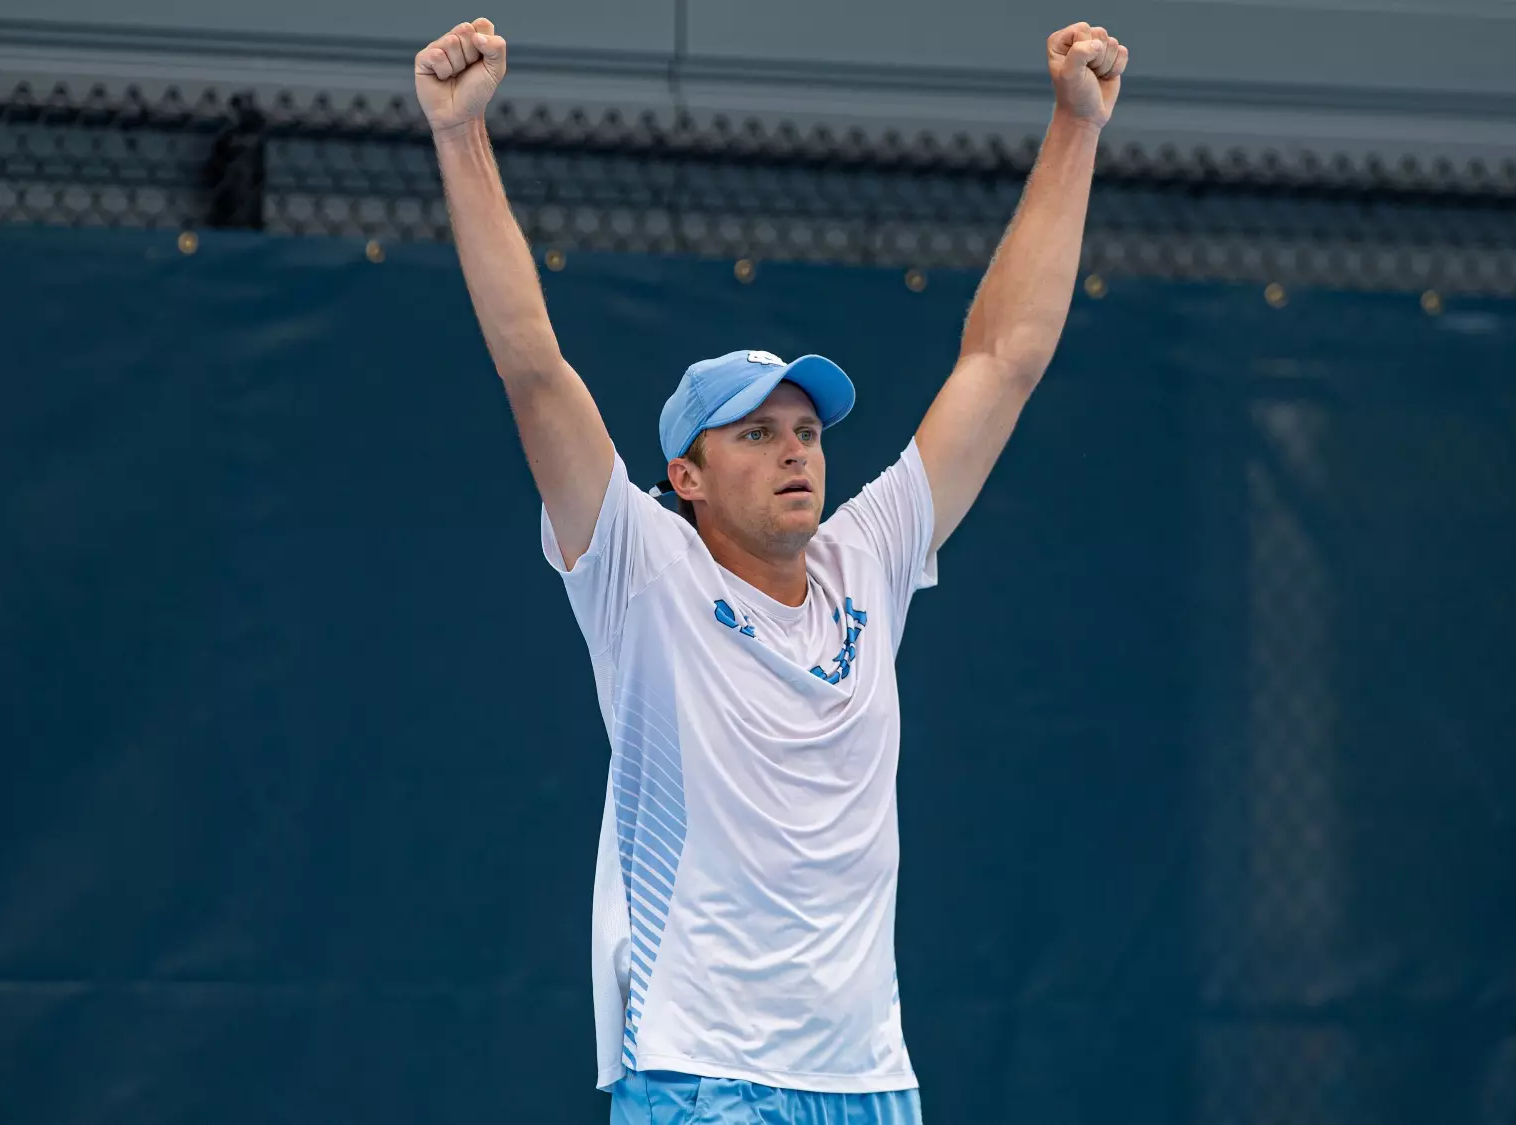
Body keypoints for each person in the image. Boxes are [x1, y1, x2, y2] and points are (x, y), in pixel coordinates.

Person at [414, 18, 1129, 1125]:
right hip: (702, 1076)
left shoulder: (868, 558)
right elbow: (532, 365)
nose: (794, 448)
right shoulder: (638, 569)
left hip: (869, 1081)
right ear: (684, 479)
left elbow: (1003, 358)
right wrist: (460, 139)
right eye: (752, 435)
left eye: (804, 429)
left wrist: (1074, 127)